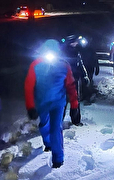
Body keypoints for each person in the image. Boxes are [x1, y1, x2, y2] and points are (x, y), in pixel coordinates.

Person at [24, 39, 79, 168]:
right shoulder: (35, 65)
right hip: (42, 103)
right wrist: (30, 106)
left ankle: (58, 158)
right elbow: (28, 86)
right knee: (44, 125)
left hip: (58, 103)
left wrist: (74, 105)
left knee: (55, 129)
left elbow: (71, 86)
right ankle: (47, 143)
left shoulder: (63, 65)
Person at [61, 34, 90, 106]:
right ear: (71, 42)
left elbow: (80, 64)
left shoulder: (77, 52)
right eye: (75, 42)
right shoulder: (63, 52)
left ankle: (75, 109)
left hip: (74, 76)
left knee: (74, 95)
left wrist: (84, 75)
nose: (77, 43)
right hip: (65, 76)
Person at [78, 36, 99, 103]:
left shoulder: (91, 50)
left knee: (88, 82)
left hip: (90, 68)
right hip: (82, 69)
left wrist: (97, 67)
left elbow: (95, 59)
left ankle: (88, 96)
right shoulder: (80, 49)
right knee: (82, 82)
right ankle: (83, 95)